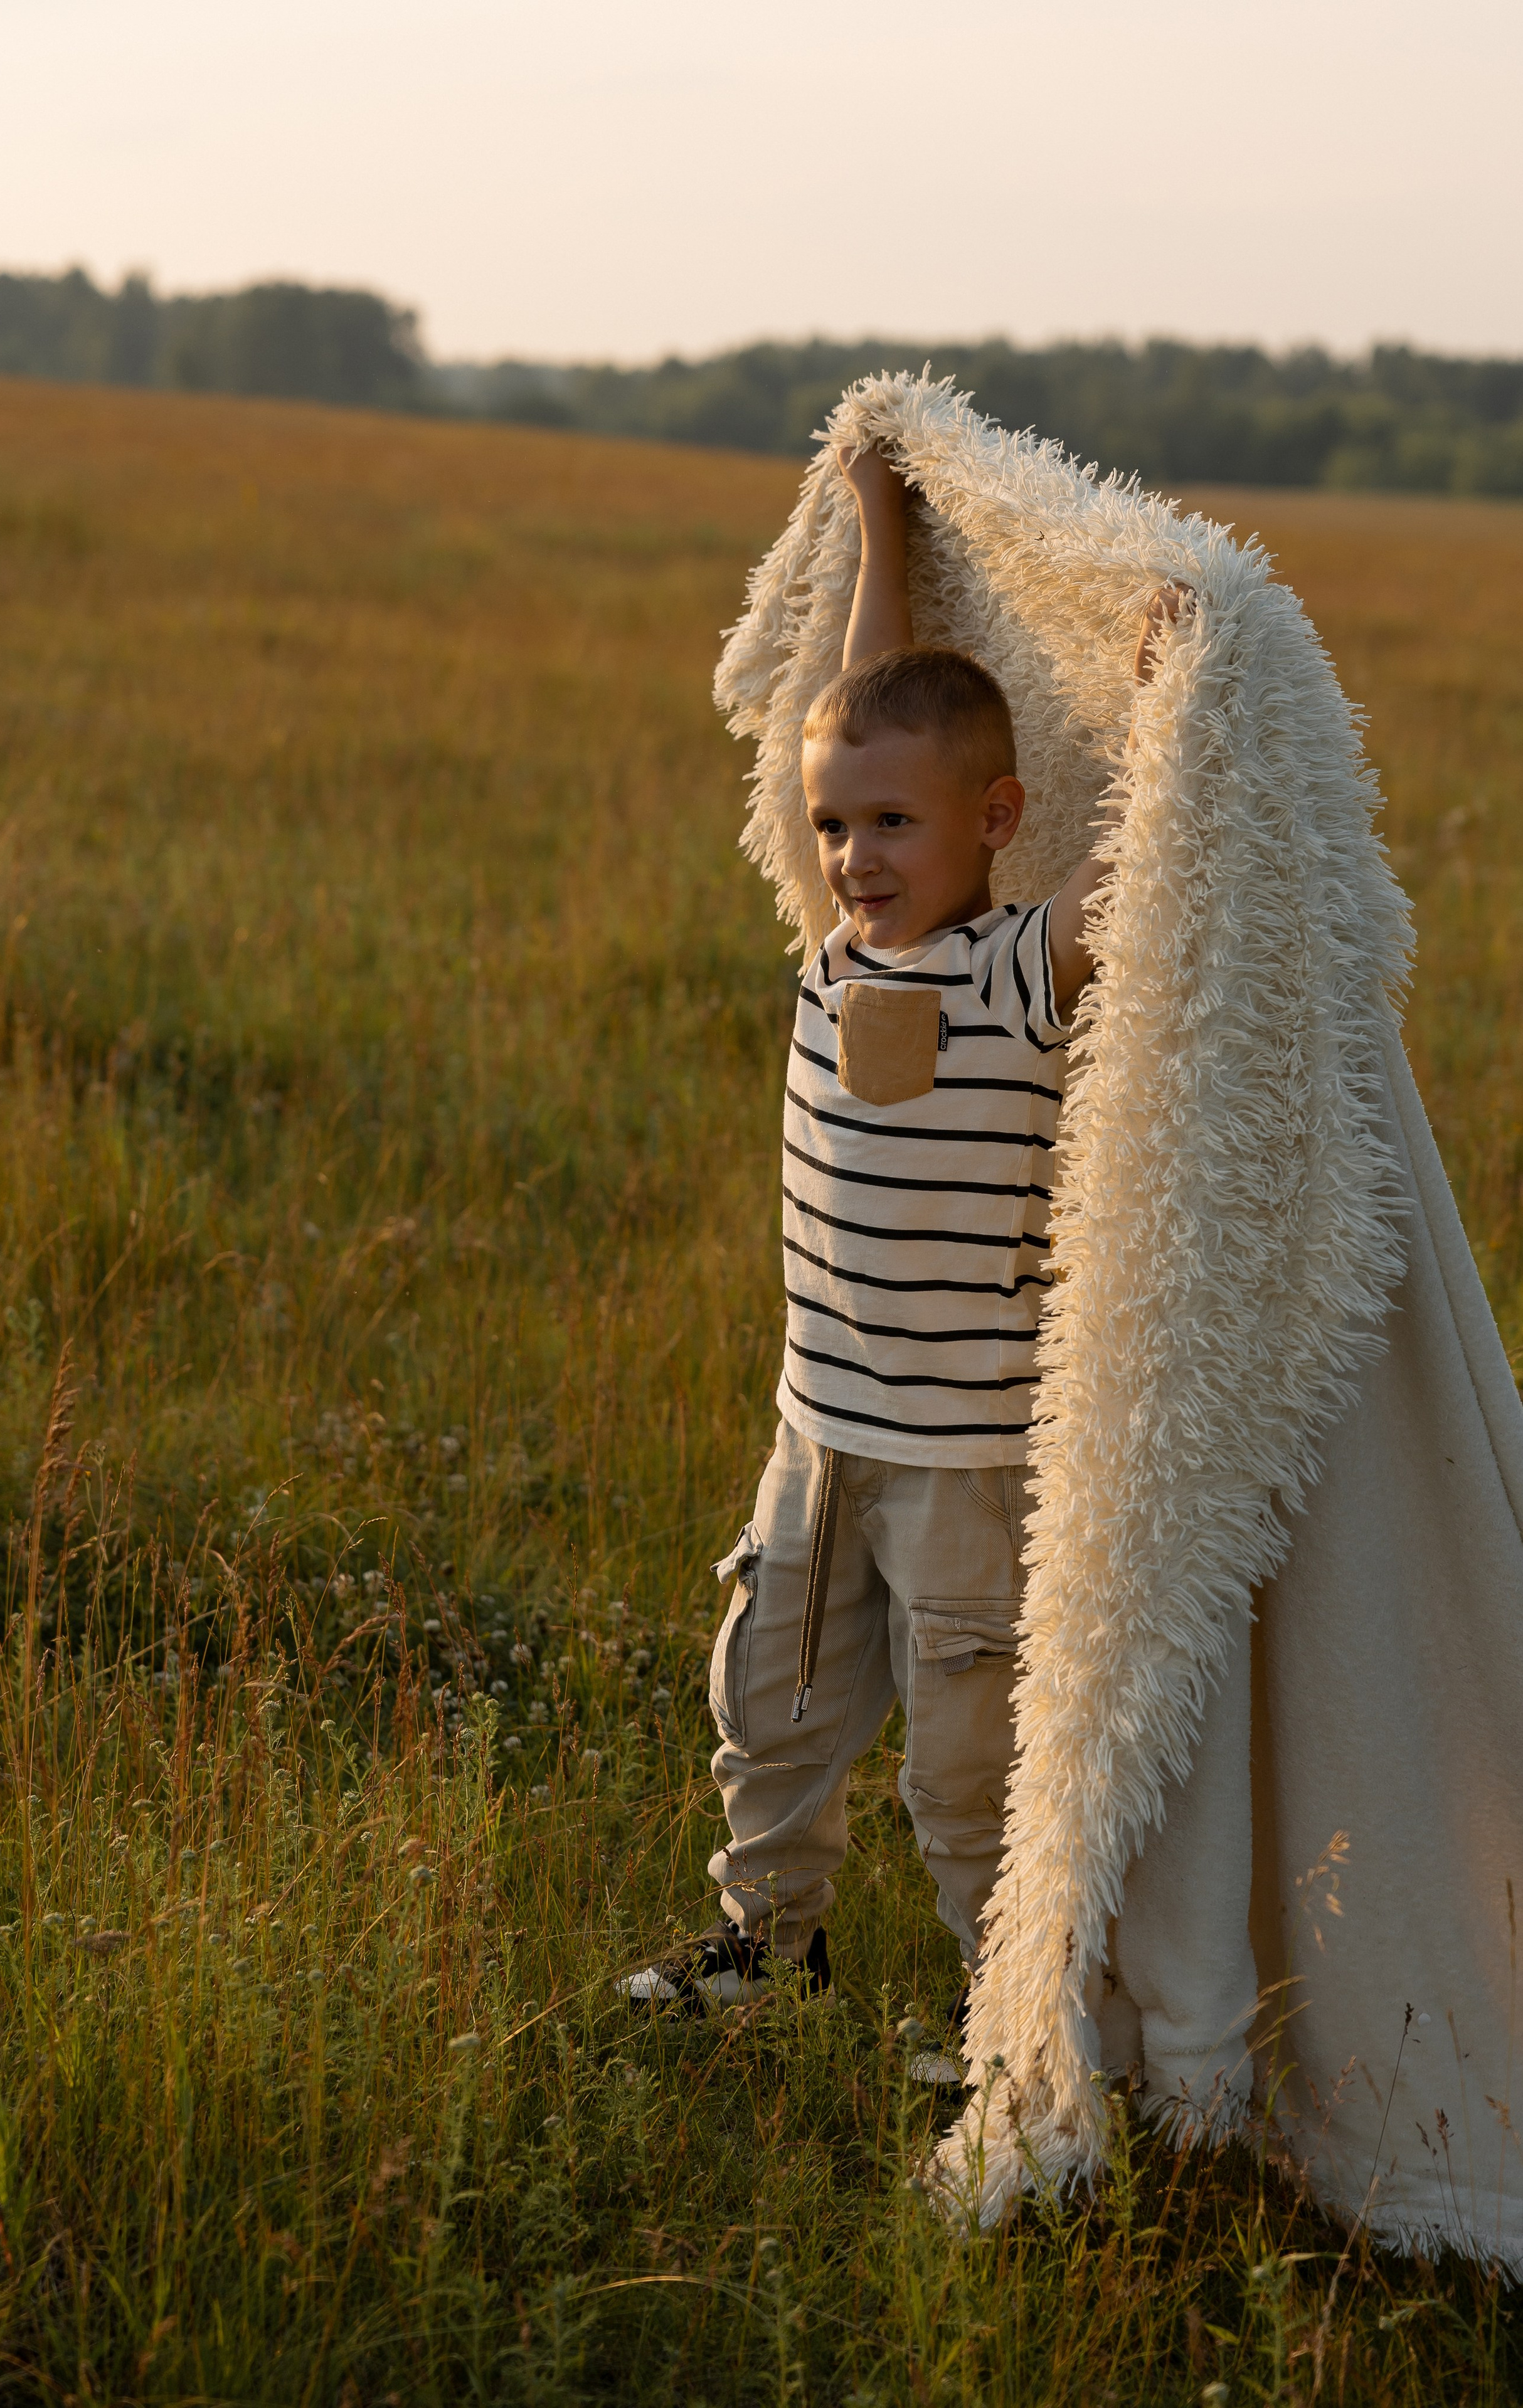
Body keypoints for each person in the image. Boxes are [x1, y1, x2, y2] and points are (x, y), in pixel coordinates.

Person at [623, 448, 1186, 2049]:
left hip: (963, 1465)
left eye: (891, 823)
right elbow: (856, 689)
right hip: (818, 1438)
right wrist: (879, 522)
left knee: (965, 1755)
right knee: (769, 1709)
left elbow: (1133, 866)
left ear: (993, 821)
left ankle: (993, 2007)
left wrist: (1165, 694)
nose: (854, 855)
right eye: (832, 825)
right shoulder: (830, 958)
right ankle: (763, 1943)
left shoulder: (1013, 971)